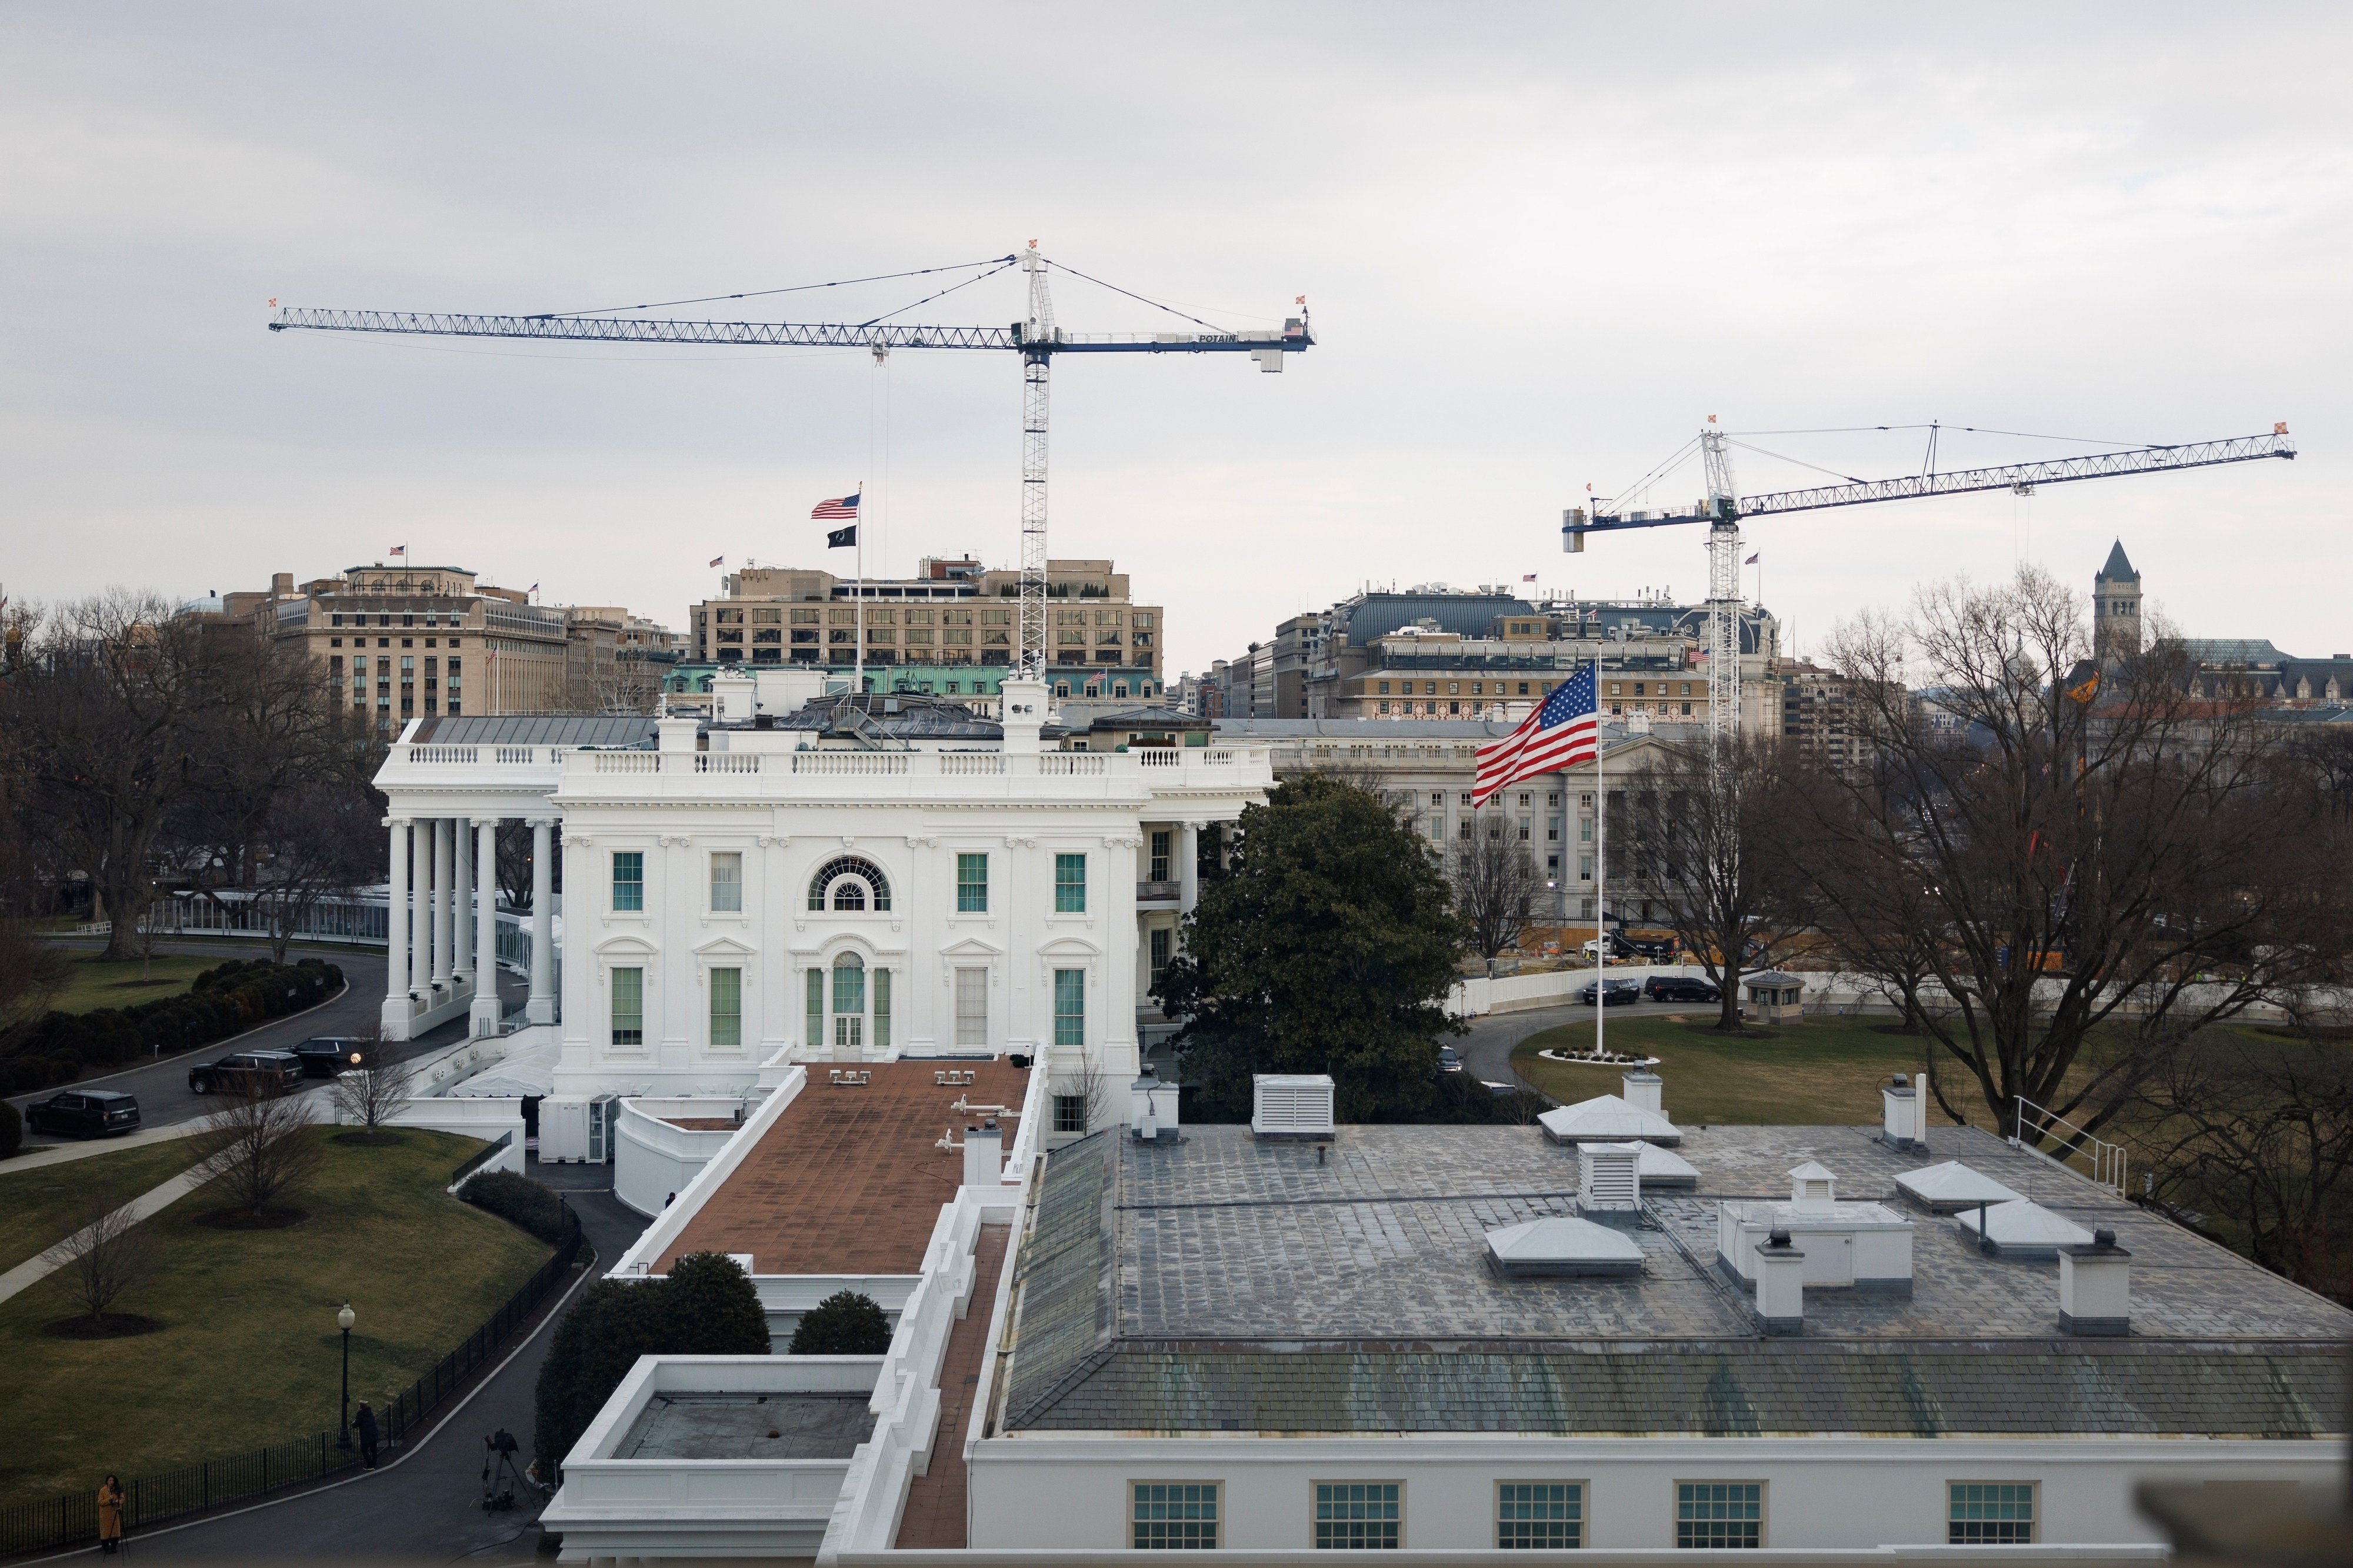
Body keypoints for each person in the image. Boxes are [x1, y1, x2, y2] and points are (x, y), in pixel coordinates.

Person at [96, 1474, 125, 1555]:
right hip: (105, 1515)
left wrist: (118, 1502)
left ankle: (114, 1546)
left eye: (113, 1481)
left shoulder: (117, 1489)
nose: (111, 1482)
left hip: (115, 1513)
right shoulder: (103, 1491)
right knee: (106, 1532)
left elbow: (122, 1499)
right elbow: (100, 1502)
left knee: (115, 1532)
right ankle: (106, 1548)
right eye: (110, 1481)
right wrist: (110, 1499)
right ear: (107, 1482)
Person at [354, 1401, 379, 1469]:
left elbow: (355, 1424)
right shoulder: (370, 1413)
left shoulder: (361, 1415)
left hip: (366, 1436)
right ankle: (374, 1463)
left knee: (364, 1450)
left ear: (360, 1407)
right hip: (374, 1434)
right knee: (374, 1450)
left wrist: (353, 1423)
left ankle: (370, 1464)